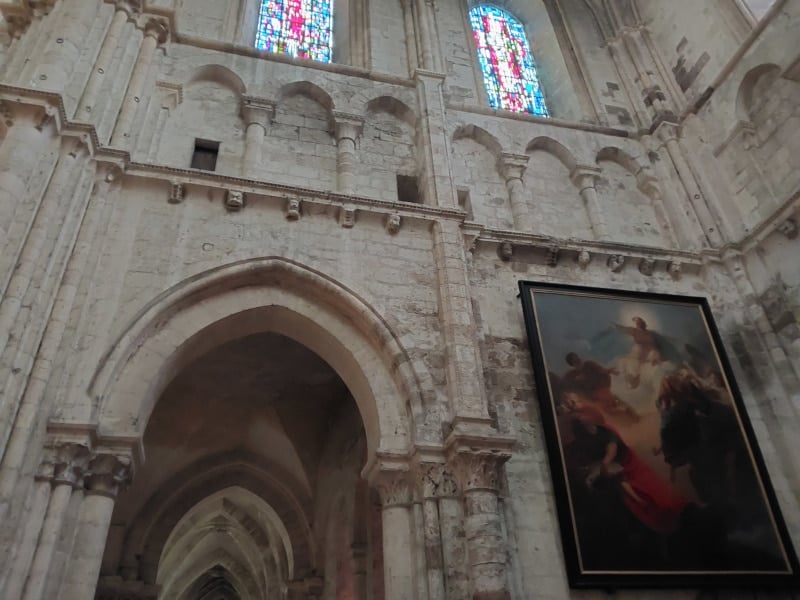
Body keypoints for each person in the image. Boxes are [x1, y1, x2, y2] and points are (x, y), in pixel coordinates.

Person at [567, 400, 689, 535]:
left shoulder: (605, 429)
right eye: (578, 415)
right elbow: (592, 458)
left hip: (630, 465)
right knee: (641, 503)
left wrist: (605, 463)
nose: (580, 417)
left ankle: (675, 516)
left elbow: (612, 446)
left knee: (656, 493)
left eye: (582, 413)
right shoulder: (582, 440)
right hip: (618, 474)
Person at [561, 352, 640, 422]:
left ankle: (634, 417)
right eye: (575, 360)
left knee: (618, 405)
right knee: (611, 412)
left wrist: (610, 371)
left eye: (577, 358)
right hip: (595, 398)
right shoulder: (573, 375)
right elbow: (568, 385)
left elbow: (601, 371)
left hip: (603, 391)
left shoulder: (589, 365)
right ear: (572, 364)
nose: (578, 360)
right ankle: (629, 419)